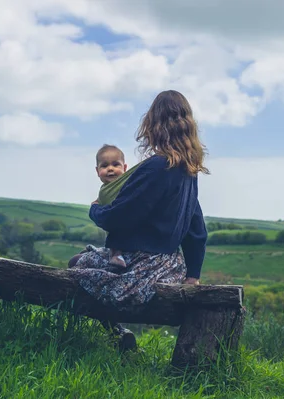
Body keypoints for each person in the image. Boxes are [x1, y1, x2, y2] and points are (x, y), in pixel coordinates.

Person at [68, 89, 209, 350]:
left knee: (77, 266)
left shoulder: (157, 167)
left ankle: (115, 337)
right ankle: (118, 338)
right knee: (87, 261)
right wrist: (193, 275)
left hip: (145, 266)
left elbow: (119, 217)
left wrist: (95, 211)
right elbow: (197, 230)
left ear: (154, 124)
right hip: (171, 264)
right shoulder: (188, 171)